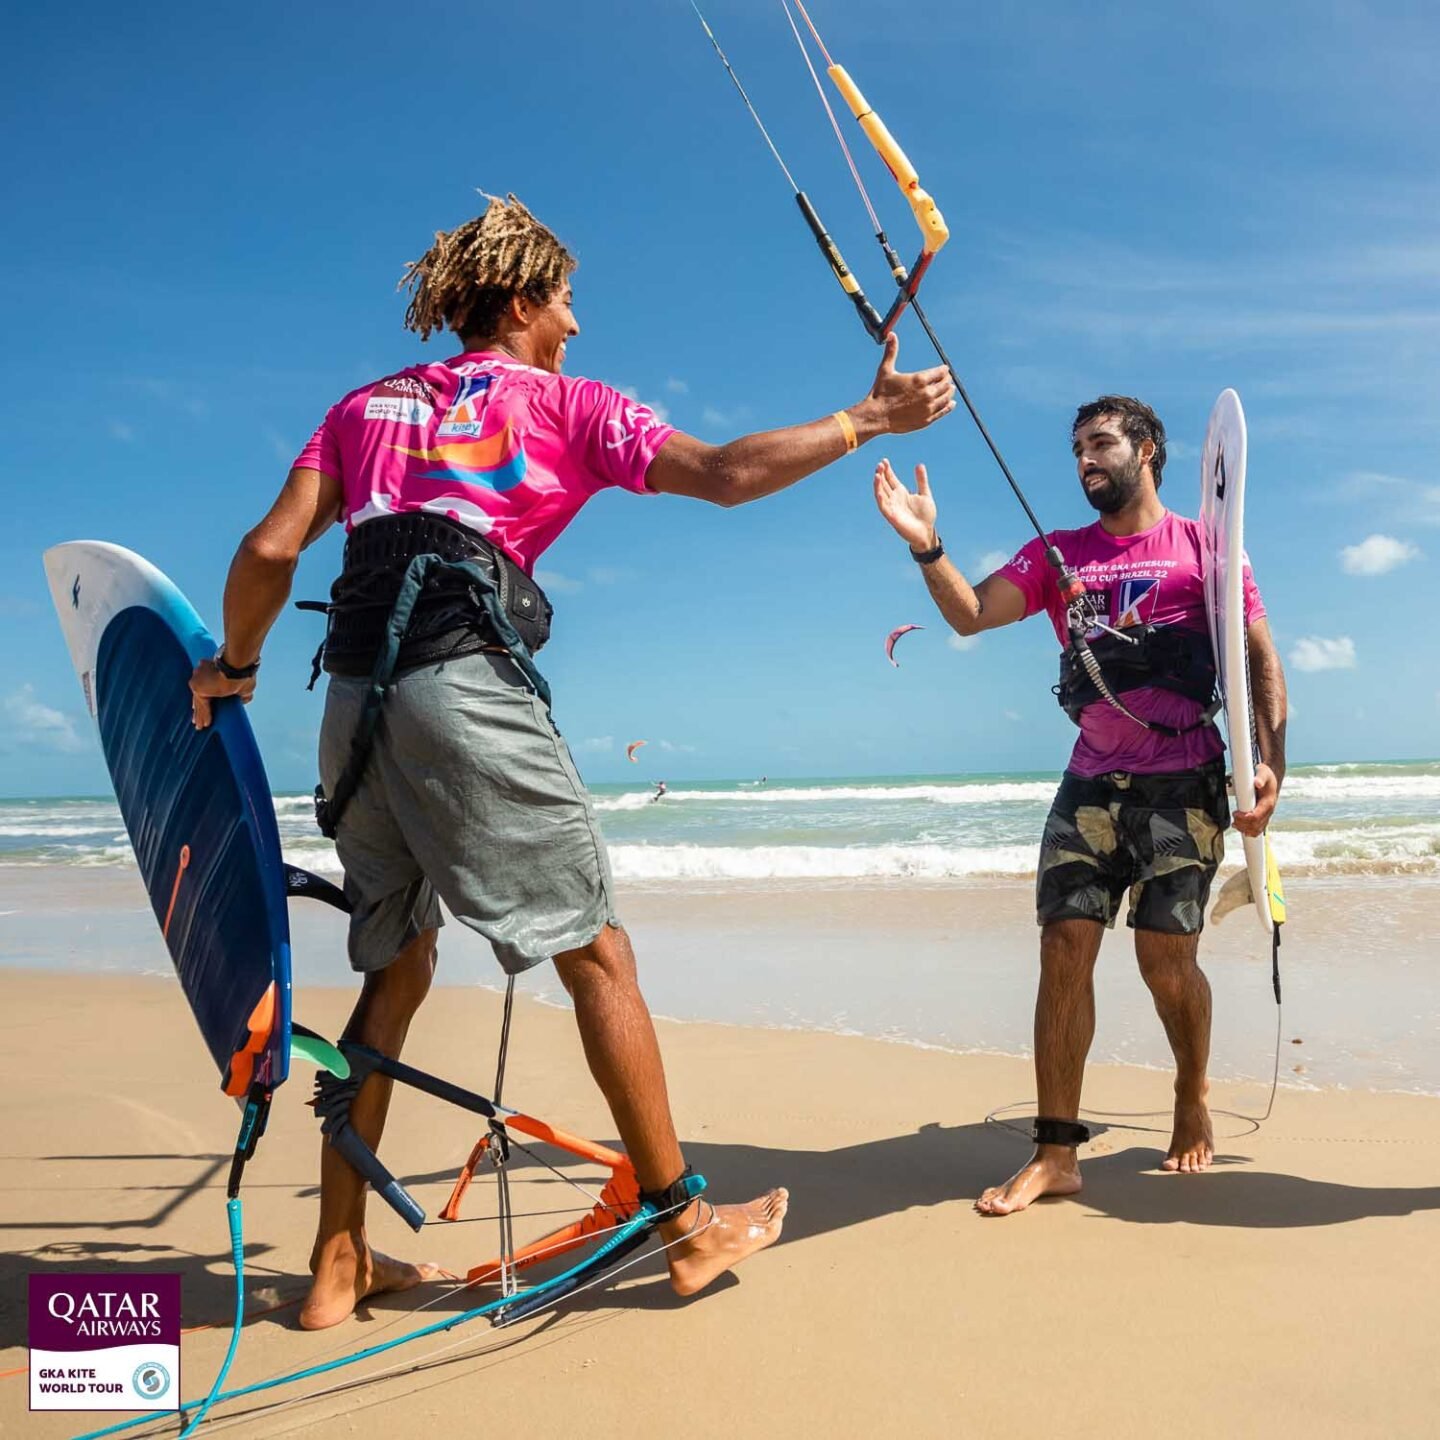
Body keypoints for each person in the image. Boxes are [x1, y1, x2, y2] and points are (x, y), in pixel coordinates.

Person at [190, 192, 956, 1325]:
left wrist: (234, 666)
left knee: (395, 969)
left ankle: (337, 1260)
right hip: (462, 689)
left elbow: (268, 550)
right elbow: (725, 472)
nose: (577, 325)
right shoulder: (566, 402)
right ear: (518, 303)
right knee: (597, 953)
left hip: (351, 707)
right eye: (564, 301)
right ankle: (684, 1228)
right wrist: (868, 420)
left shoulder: (362, 408)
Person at [873, 395, 1287, 1216]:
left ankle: (1192, 1091)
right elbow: (970, 614)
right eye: (1076, 450)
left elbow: (1259, 658)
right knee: (1063, 949)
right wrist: (927, 546)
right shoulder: (1056, 553)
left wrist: (1270, 764)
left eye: (1100, 443)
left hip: (1183, 782)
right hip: (1090, 781)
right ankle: (1055, 1151)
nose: (1085, 460)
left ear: (1148, 451)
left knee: (1165, 963)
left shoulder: (1207, 548)